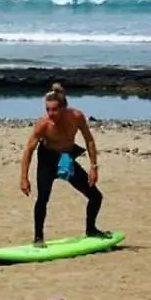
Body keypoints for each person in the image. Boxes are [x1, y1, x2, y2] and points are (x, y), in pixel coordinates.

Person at [19, 84, 110, 246]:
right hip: (47, 160)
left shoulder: (76, 117)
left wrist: (94, 167)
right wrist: (23, 178)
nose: (50, 114)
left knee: (96, 196)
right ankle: (38, 238)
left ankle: (91, 230)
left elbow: (89, 139)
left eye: (54, 110)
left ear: (63, 108)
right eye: (47, 110)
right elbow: (29, 150)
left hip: (66, 159)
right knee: (42, 199)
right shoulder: (43, 125)